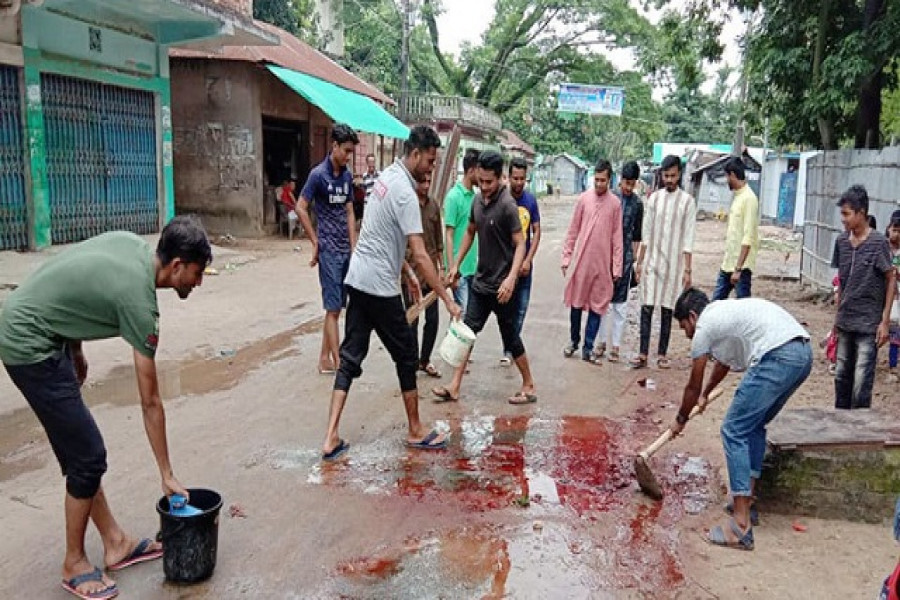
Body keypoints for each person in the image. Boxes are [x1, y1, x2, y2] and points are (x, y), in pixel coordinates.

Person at [0, 217, 211, 600]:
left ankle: (115, 542)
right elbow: (149, 401)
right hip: (28, 342)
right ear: (177, 265)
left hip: (46, 332)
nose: (198, 283)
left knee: (79, 446)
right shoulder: (141, 304)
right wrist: (166, 473)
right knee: (87, 456)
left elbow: (76, 278)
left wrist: (75, 346)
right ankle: (74, 563)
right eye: (196, 274)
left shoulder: (131, 245)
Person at [321, 125, 461, 461]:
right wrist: (446, 297)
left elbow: (380, 234)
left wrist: (407, 272)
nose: (431, 167)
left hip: (358, 278)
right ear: (415, 154)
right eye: (429, 160)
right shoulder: (405, 193)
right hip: (380, 288)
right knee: (406, 355)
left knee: (351, 355)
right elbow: (422, 251)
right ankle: (415, 430)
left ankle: (330, 437)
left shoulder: (384, 179)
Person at [669, 288, 812, 551]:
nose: (687, 334)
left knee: (733, 430)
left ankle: (740, 526)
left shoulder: (705, 327)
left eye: (684, 327)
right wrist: (706, 395)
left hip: (777, 356)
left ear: (692, 316)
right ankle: (747, 501)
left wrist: (680, 419)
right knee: (753, 425)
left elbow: (692, 384)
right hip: (802, 355)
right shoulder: (724, 314)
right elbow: (721, 364)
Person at [433, 150, 537, 405]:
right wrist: (456, 263)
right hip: (481, 282)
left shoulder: (508, 206)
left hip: (502, 287)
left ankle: (529, 384)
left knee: (511, 336)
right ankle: (455, 385)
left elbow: (520, 244)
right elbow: (469, 231)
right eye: (481, 181)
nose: (485, 187)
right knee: (467, 331)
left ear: (500, 178)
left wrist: (511, 279)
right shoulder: (477, 202)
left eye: (490, 182)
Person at [296, 124, 360, 375]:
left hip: (345, 250)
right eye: (345, 150)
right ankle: (338, 361)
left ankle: (324, 358)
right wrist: (315, 241)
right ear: (334, 146)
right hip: (329, 251)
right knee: (333, 309)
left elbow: (350, 211)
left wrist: (354, 248)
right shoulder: (317, 175)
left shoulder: (346, 175)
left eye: (351, 152)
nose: (348, 156)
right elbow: (301, 207)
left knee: (335, 307)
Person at [830, 185, 896, 409]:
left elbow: (891, 279)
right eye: (842, 214)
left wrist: (885, 321)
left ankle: (859, 437)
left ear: (861, 213)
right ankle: (839, 432)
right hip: (846, 322)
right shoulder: (841, 242)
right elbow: (841, 283)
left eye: (847, 214)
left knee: (861, 383)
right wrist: (836, 321)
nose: (843, 219)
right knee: (841, 379)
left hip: (868, 325)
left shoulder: (879, 243)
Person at [632, 154, 696, 369]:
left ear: (679, 175)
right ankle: (642, 353)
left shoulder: (687, 202)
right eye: (666, 175)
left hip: (674, 265)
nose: (669, 180)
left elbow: (688, 238)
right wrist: (639, 264)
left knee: (668, 308)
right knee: (647, 306)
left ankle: (661, 354)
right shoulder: (654, 199)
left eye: (673, 176)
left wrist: (687, 270)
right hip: (652, 261)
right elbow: (646, 234)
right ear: (661, 175)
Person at [561, 158, 623, 364]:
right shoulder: (583, 200)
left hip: (602, 266)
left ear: (610, 180)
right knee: (576, 304)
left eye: (603, 181)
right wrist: (567, 256)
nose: (599, 184)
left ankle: (588, 348)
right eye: (596, 180)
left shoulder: (615, 204)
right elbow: (573, 230)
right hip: (581, 263)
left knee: (597, 307)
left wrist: (616, 267)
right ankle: (574, 341)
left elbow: (617, 238)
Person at [597, 161, 644, 363]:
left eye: (632, 184)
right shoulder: (610, 199)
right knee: (601, 303)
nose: (628, 187)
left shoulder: (638, 204)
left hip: (624, 259)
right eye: (626, 182)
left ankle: (616, 346)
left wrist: (634, 263)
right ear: (620, 180)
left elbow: (637, 236)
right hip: (605, 256)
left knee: (620, 305)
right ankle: (600, 342)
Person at [403, 171, 444, 378]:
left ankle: (425, 359)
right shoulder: (407, 205)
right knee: (412, 320)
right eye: (423, 181)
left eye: (429, 181)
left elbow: (439, 241)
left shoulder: (434, 206)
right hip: (411, 273)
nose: (426, 185)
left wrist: (442, 267)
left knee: (433, 319)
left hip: (431, 273)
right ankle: (411, 361)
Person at [501, 157, 541, 366]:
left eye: (522, 179)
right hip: (505, 268)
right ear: (508, 177)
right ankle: (509, 347)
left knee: (521, 309)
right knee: (506, 309)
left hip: (524, 267)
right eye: (515, 178)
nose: (518, 183)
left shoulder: (530, 201)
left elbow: (536, 231)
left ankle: (511, 347)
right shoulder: (501, 199)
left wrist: (528, 259)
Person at [712, 157, 759, 300]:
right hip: (728, 264)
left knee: (743, 307)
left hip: (741, 267)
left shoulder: (749, 199)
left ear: (732, 175)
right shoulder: (738, 198)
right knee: (715, 304)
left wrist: (738, 268)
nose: (726, 180)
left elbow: (748, 236)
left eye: (726, 176)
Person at [444, 148, 480, 311]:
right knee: (462, 313)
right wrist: (452, 269)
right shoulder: (453, 197)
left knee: (468, 317)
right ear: (471, 170)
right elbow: (449, 235)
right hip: (459, 271)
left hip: (473, 268)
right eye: (479, 171)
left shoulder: (476, 198)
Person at [887, 210, 900, 384]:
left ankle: (893, 365)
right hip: (886, 297)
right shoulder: (882, 247)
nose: (896, 233)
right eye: (894, 229)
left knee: (896, 335)